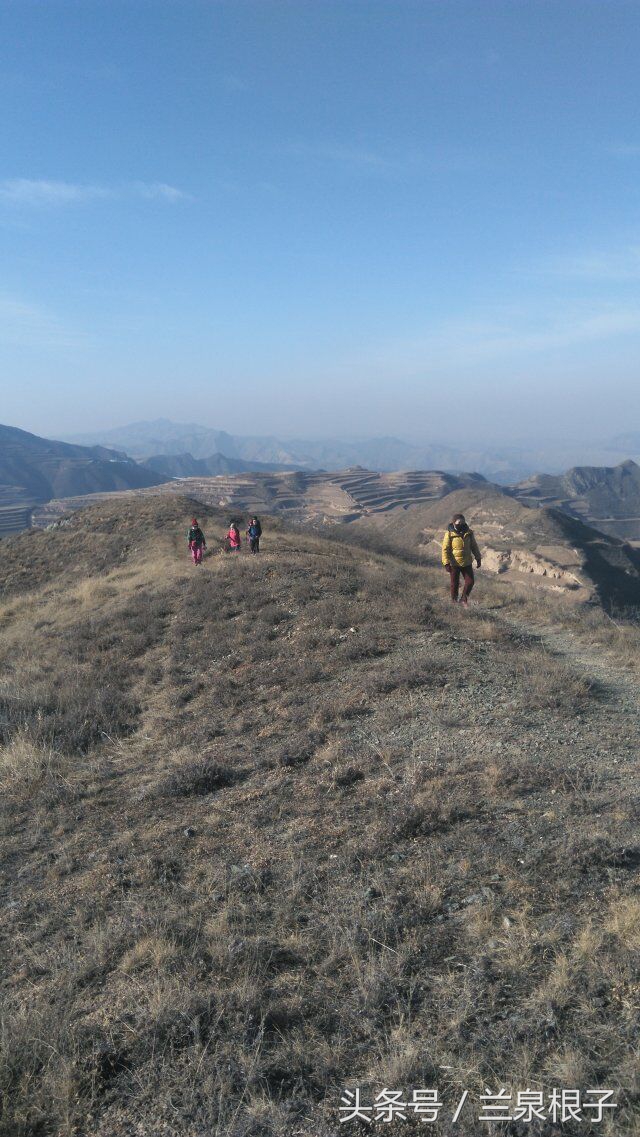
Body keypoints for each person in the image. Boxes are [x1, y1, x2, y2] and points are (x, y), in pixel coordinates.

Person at [441, 513, 482, 606]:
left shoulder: (469, 532)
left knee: (470, 582)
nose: (461, 524)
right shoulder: (449, 534)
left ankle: (464, 599)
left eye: (463, 522)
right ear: (454, 523)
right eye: (459, 523)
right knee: (454, 583)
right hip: (454, 563)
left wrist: (478, 558)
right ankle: (454, 601)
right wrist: (446, 563)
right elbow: (445, 549)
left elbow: (474, 546)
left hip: (466, 562)